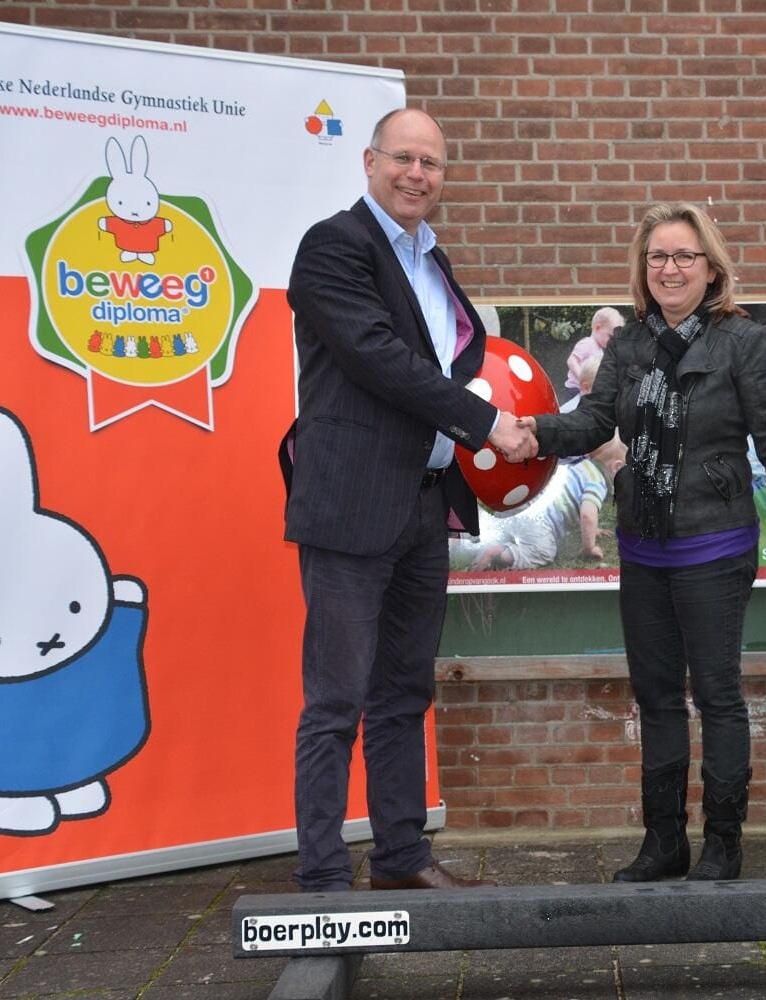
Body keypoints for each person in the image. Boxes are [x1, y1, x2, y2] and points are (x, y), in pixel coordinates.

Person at [519, 203, 766, 883]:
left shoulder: (745, 341)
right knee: (655, 698)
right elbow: (593, 421)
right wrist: (534, 432)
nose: (670, 268)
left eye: (684, 255)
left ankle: (723, 845)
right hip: (644, 545)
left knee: (717, 695)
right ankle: (663, 844)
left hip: (717, 543)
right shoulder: (628, 345)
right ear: (643, 267)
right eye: (658, 256)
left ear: (711, 268)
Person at [282, 107, 532, 893]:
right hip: (350, 508)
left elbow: (452, 365)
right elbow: (379, 357)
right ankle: (324, 881)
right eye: (403, 158)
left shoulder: (434, 261)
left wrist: (513, 423)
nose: (417, 174)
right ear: (369, 162)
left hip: (425, 505)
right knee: (336, 701)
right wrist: (488, 425)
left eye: (431, 163)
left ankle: (401, 859)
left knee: (403, 695)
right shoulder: (334, 247)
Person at [452, 435, 625, 571]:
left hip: (521, 502)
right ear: (616, 467)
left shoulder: (579, 464)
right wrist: (589, 547)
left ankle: (459, 539)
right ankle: (497, 552)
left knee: (498, 530)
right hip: (538, 520)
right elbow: (587, 514)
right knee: (543, 552)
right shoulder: (597, 483)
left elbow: (573, 500)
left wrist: (593, 529)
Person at [565, 306, 624, 395]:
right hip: (575, 388)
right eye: (610, 336)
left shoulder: (600, 350)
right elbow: (571, 361)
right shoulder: (587, 344)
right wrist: (581, 377)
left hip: (586, 389)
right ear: (597, 327)